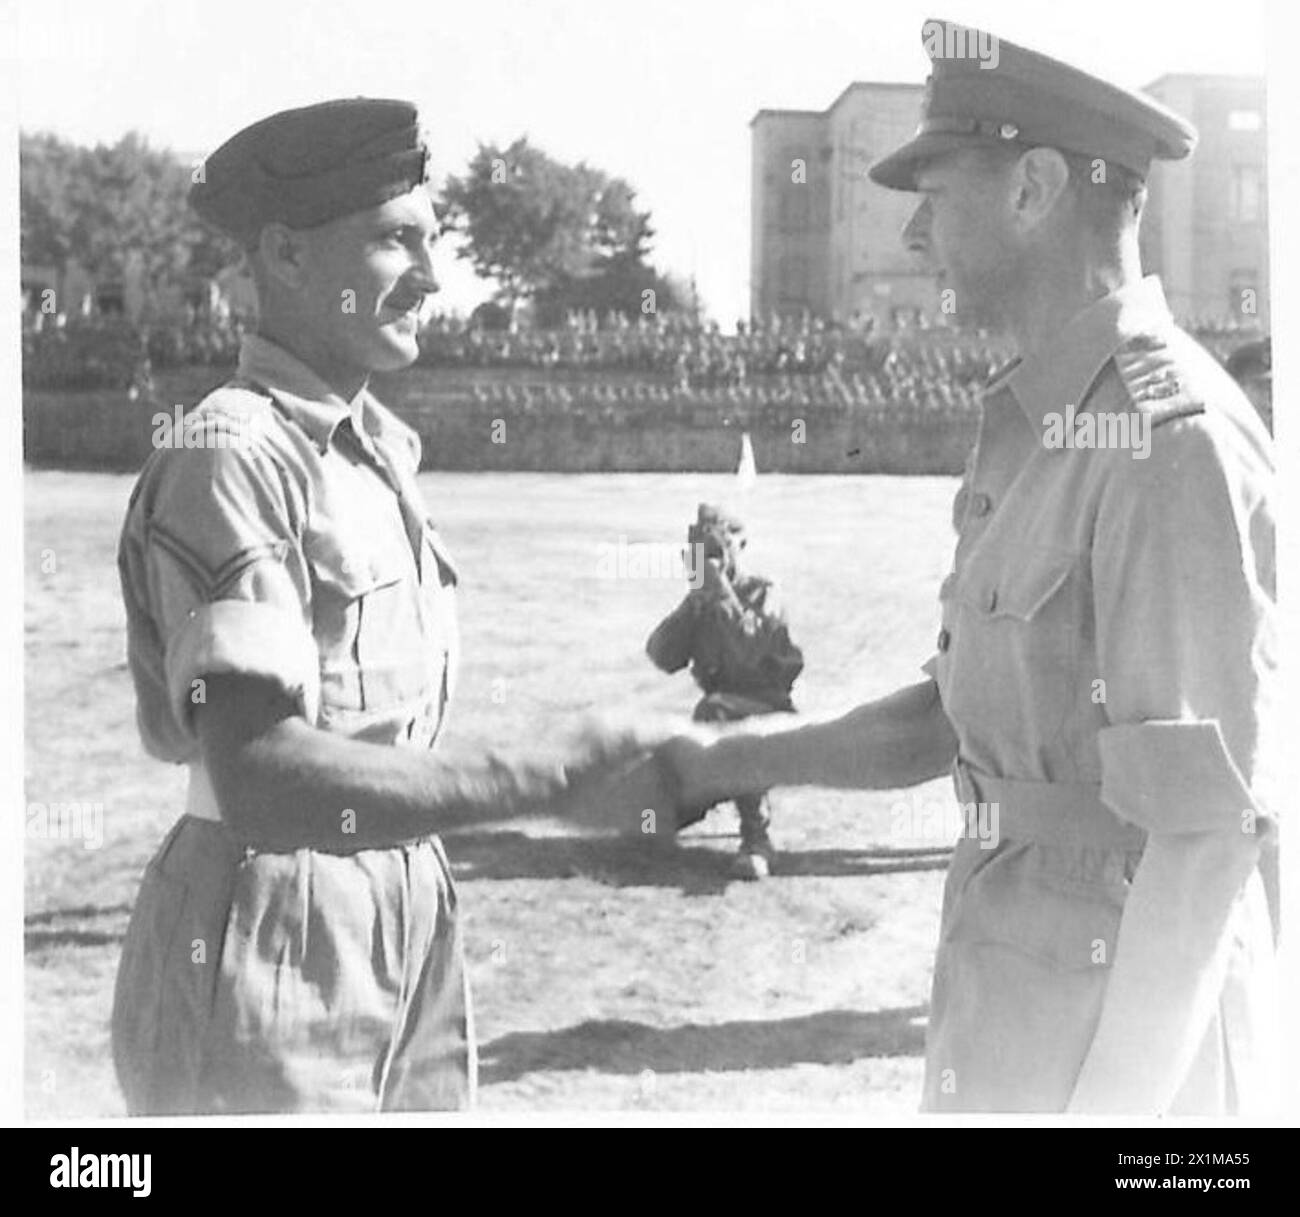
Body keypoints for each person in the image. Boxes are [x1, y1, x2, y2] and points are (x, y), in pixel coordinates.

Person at [657, 21, 1278, 1114]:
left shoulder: (1164, 438)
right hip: (1014, 1010)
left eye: (936, 192)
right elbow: (955, 718)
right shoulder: (1043, 425)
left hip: (1135, 1068)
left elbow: (1200, 841)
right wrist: (714, 756)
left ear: (1035, 186)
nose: (910, 231)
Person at [113, 98, 672, 1115]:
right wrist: (537, 776)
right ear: (283, 253)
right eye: (393, 240)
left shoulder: (376, 452)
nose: (430, 274)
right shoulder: (233, 452)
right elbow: (261, 773)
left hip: (401, 897)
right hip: (270, 910)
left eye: (429, 239)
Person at [646, 504, 803, 879]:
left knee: (718, 717)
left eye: (716, 554)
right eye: (701, 557)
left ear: (738, 549)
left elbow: (749, 655)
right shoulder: (700, 601)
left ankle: (756, 837)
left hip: (768, 711)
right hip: (716, 717)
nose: (710, 565)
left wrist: (721, 597)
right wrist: (694, 605)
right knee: (655, 809)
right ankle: (687, 806)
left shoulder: (763, 593)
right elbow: (662, 656)